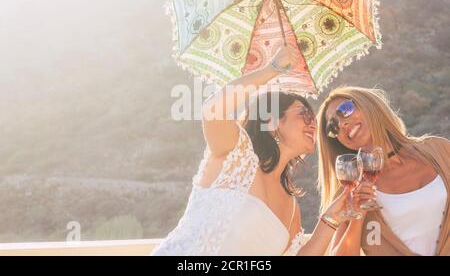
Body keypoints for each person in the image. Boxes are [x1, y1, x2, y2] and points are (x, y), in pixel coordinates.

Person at [152, 46, 362, 255]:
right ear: (271, 122)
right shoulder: (237, 156)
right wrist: (273, 69)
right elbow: (213, 110)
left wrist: (331, 218)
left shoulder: (291, 207)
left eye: (314, 120)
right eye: (305, 115)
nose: (313, 125)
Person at [317, 86, 450, 256]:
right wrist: (359, 214)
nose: (342, 124)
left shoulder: (439, 149)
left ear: (369, 105)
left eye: (345, 109)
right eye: (333, 127)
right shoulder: (350, 192)